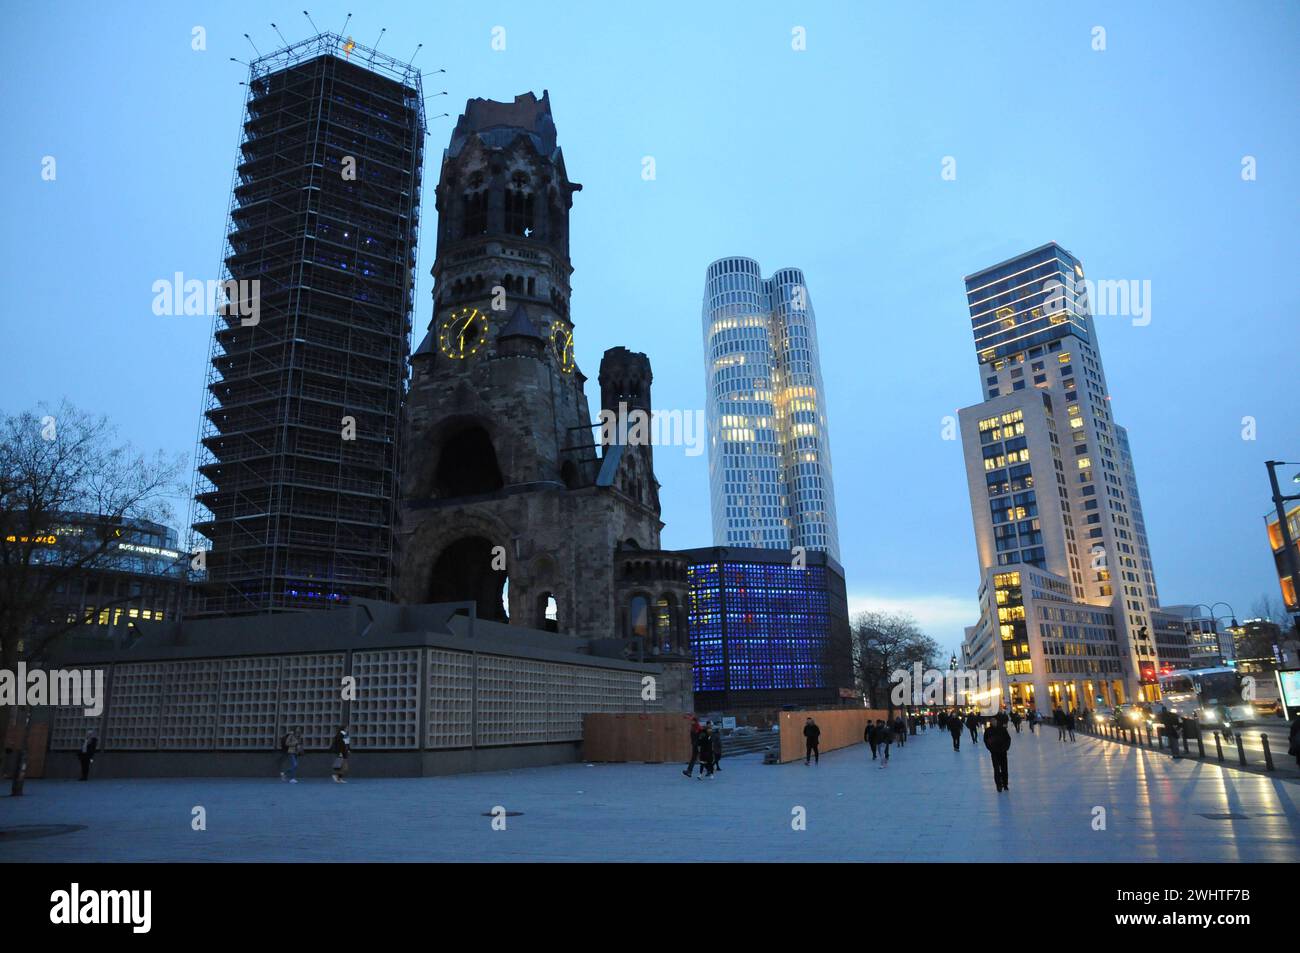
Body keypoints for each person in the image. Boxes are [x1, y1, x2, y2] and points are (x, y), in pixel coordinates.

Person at [983, 712, 1012, 792]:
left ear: (997, 721)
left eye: (994, 720)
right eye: (992, 720)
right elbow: (986, 741)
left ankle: (1005, 784)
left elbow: (1008, 739)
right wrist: (991, 748)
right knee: (996, 769)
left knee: (1004, 769)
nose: (993, 722)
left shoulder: (1002, 729)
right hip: (994, 753)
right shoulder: (988, 731)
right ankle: (998, 785)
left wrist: (1005, 748)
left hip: (1003, 752)